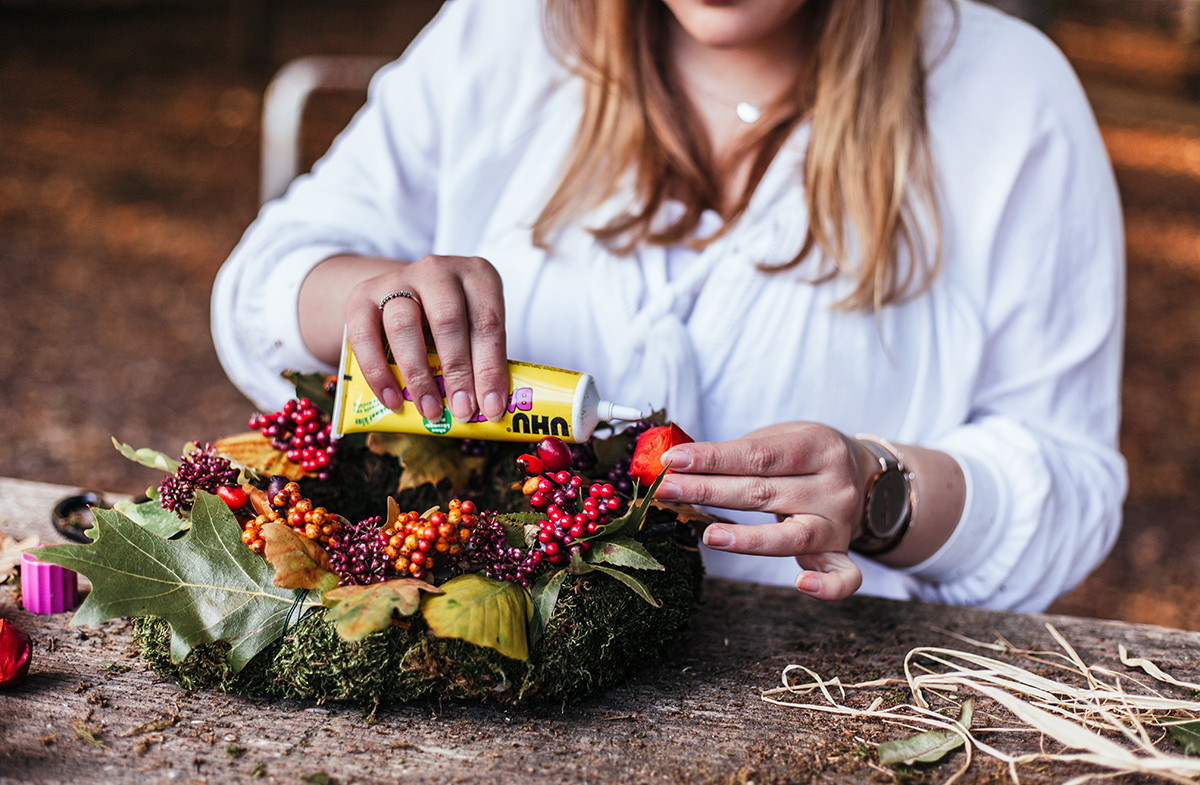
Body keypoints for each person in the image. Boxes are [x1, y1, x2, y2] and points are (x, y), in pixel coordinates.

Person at [211, 0, 1126, 613]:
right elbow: (263, 284)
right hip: (497, 689)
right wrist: (370, 298)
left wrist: (882, 490)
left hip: (831, 714)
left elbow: (1071, 486)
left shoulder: (1011, 98)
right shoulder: (503, 30)